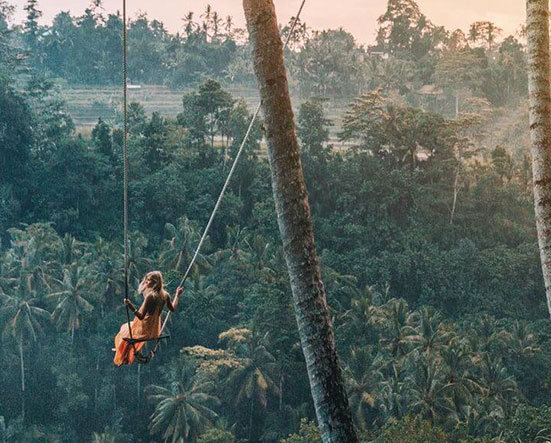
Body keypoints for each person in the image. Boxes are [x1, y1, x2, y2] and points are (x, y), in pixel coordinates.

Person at [113, 271, 183, 366]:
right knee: (128, 331)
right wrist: (177, 296)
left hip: (144, 329)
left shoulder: (151, 296)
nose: (146, 282)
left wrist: (130, 305)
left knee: (125, 329)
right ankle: (124, 354)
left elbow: (141, 316)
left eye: (149, 280)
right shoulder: (165, 295)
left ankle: (122, 354)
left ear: (156, 283)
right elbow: (172, 308)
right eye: (146, 279)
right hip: (154, 330)